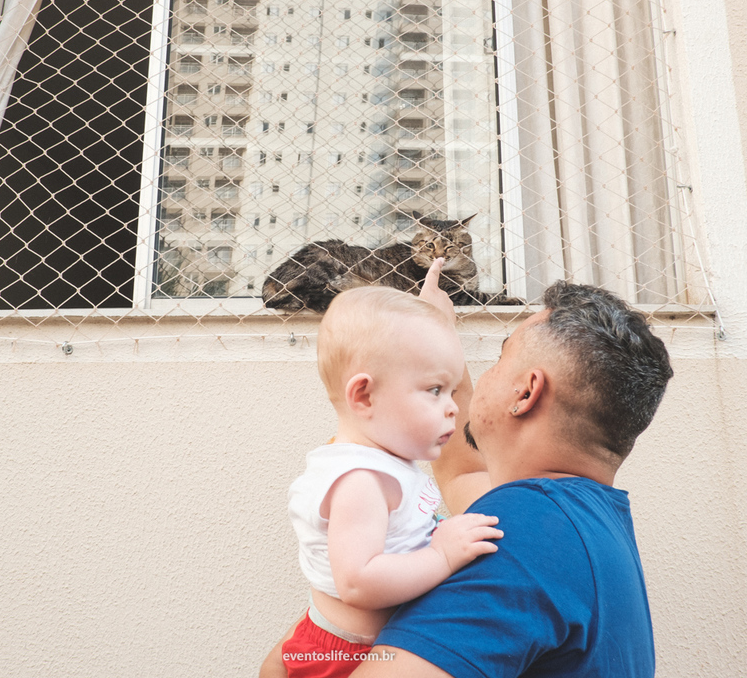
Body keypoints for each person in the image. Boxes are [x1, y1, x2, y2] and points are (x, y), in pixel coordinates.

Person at [345, 267, 675, 677]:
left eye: (501, 357)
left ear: (526, 392)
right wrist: (440, 335)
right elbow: (463, 475)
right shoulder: (580, 521)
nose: (487, 375)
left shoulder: (528, 535)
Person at [270, 282, 505, 678]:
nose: (451, 408)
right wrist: (441, 556)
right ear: (363, 396)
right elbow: (359, 583)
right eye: (434, 390)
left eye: (450, 391)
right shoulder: (362, 479)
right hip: (341, 658)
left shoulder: (386, 463)